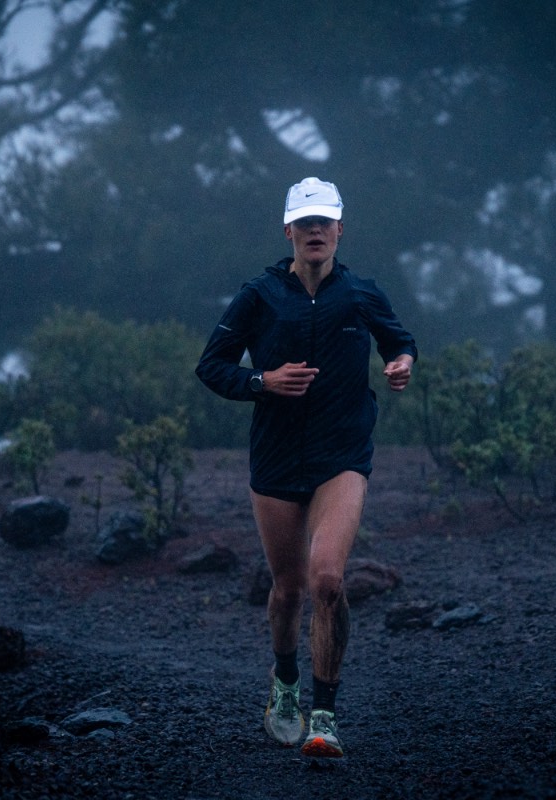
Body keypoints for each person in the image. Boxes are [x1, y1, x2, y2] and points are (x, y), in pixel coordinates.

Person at [196, 176, 417, 758]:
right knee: (288, 590)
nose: (315, 231)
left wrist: (400, 364)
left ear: (340, 229)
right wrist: (261, 381)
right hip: (275, 458)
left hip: (341, 456)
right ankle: (285, 682)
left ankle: (325, 717)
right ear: (288, 231)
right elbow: (212, 366)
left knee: (328, 580)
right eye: (304, 222)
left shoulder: (362, 294)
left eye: (324, 221)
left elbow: (400, 341)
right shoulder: (259, 295)